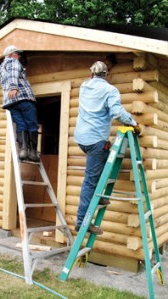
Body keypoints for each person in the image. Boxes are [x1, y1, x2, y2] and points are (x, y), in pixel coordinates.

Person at [74, 61, 140, 235]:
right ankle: (82, 222)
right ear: (106, 75)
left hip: (82, 139)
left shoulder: (83, 87)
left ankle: (98, 197)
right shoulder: (110, 90)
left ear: (91, 74)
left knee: (105, 157)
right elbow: (117, 113)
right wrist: (134, 123)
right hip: (95, 140)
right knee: (90, 180)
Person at [0, 45, 40, 162]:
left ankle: (23, 150)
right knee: (32, 123)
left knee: (21, 125)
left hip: (11, 102)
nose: (19, 56)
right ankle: (32, 152)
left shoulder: (2, 68)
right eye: (18, 53)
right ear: (12, 54)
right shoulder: (13, 61)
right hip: (23, 98)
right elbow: (14, 73)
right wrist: (14, 87)